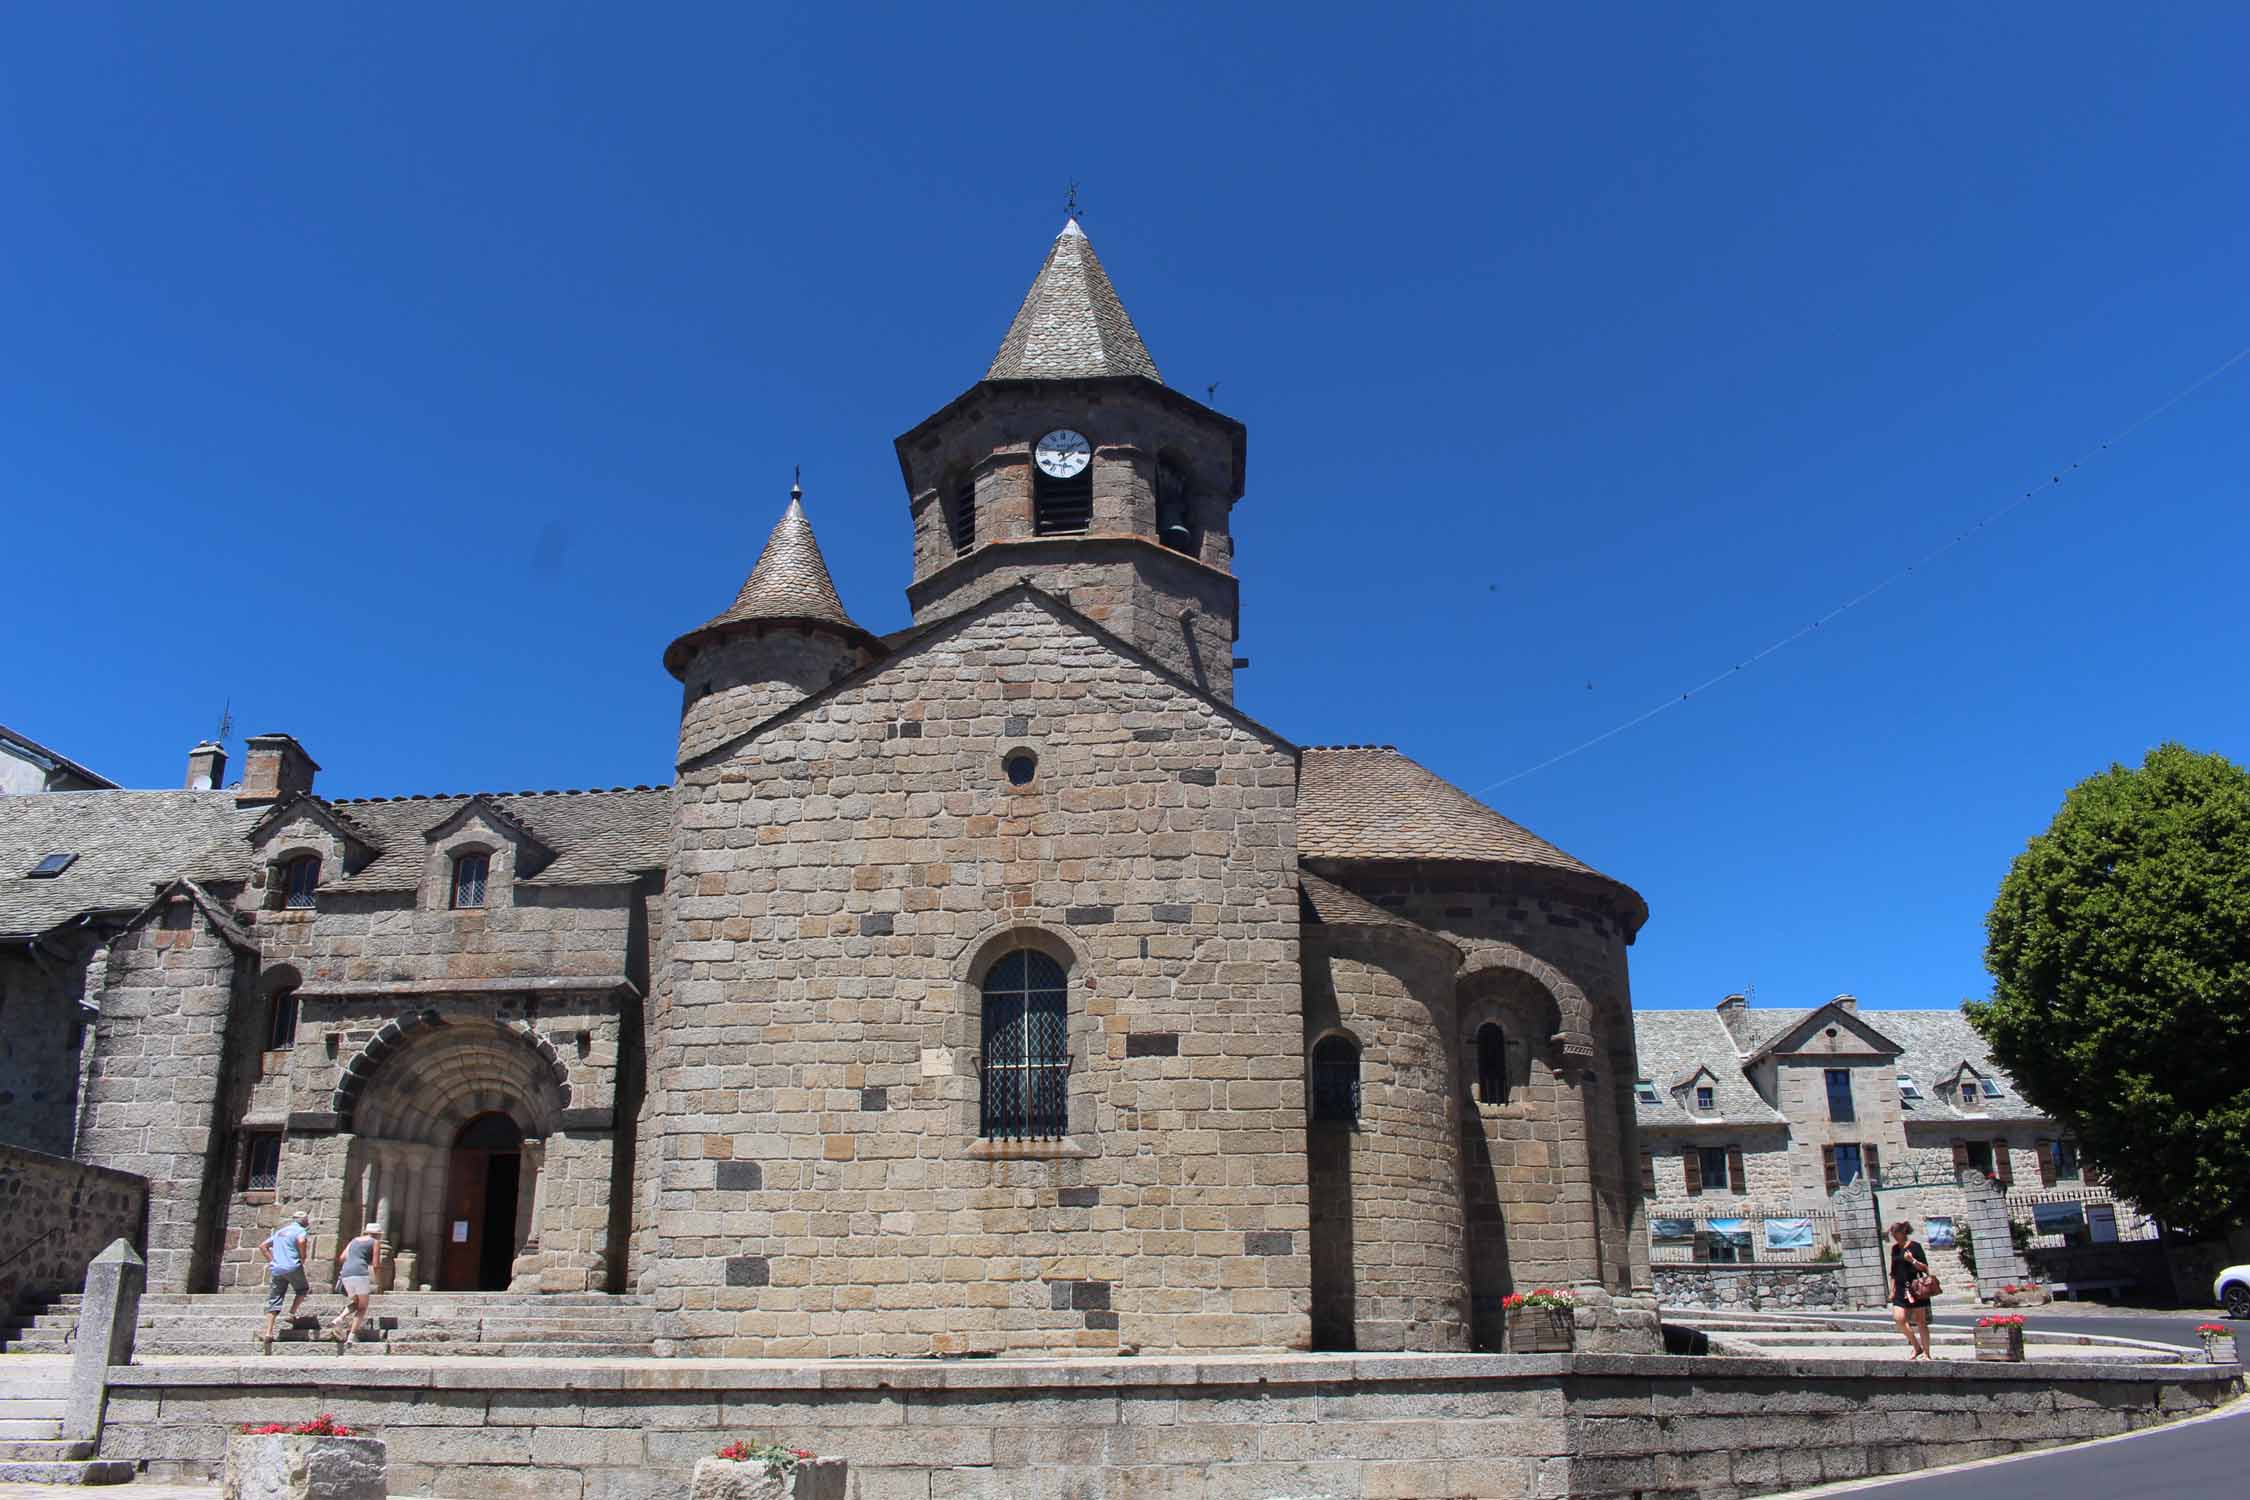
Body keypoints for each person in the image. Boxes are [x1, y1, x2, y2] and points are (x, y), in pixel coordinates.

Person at [256, 1212, 313, 1355]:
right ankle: (291, 1313)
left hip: (277, 1268)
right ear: (304, 1221)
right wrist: (303, 1256)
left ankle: (268, 1332)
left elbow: (263, 1246)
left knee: (275, 1299)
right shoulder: (300, 1231)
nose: (308, 1222)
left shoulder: (281, 1231)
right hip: (292, 1266)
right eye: (307, 1220)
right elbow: (301, 1241)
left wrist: (273, 1261)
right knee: (302, 1289)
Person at [328, 1222, 384, 1351]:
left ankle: (340, 1318)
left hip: (346, 1274)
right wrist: (378, 1281)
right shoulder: (375, 1242)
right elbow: (376, 1265)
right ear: (378, 1234)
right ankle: (351, 1337)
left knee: (356, 1302)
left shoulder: (353, 1241)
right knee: (362, 1307)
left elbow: (342, 1257)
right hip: (360, 1273)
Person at [1889, 1219, 1935, 1359]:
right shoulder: (1895, 1249)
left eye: (1896, 1232)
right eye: (1892, 1233)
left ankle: (1927, 1353)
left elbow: (1925, 1268)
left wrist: (1912, 1260)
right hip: (1901, 1288)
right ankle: (1916, 1346)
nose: (1894, 1235)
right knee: (1899, 1318)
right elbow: (1893, 1271)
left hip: (1916, 1288)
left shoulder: (1915, 1247)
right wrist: (1892, 1290)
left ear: (1903, 1232)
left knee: (1921, 1322)